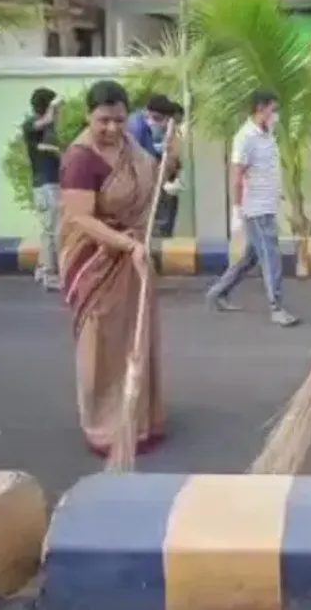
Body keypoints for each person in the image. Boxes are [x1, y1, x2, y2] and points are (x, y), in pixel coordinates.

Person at [59, 80, 168, 456]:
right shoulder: (80, 158)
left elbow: (151, 180)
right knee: (101, 342)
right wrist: (126, 244)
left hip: (133, 255)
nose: (111, 129)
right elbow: (80, 219)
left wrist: (173, 158)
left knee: (134, 335)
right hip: (95, 259)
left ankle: (140, 419)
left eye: (119, 120)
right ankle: (105, 424)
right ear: (89, 115)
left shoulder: (132, 148)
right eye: (103, 120)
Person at [205, 89, 299, 327]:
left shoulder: (267, 135)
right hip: (255, 207)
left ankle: (218, 292)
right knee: (271, 257)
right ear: (260, 108)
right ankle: (276, 307)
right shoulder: (244, 138)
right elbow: (236, 175)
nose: (276, 115)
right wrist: (237, 210)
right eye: (273, 110)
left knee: (251, 257)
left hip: (267, 205)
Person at [23, 87, 63, 291]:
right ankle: (50, 274)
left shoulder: (47, 131)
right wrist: (53, 109)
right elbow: (44, 122)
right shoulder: (31, 125)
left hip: (50, 183)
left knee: (49, 230)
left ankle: (42, 269)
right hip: (46, 185)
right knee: (54, 230)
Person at [128, 94, 183, 238]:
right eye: (159, 118)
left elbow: (151, 151)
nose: (162, 124)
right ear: (149, 113)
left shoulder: (145, 126)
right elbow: (138, 158)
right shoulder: (136, 127)